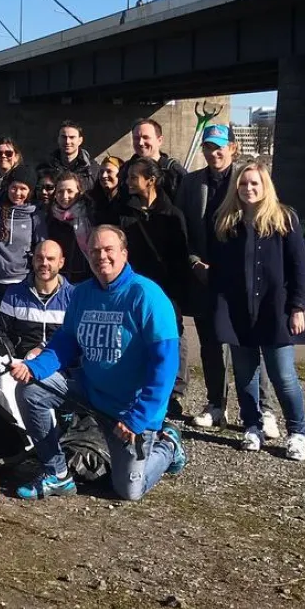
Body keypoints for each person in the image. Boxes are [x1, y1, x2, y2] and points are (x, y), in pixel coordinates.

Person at [12, 226, 187, 501]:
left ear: (124, 254)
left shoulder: (147, 295)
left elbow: (165, 366)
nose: (101, 256)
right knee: (31, 390)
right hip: (91, 393)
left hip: (129, 411)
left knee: (128, 491)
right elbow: (66, 342)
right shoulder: (82, 294)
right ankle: (57, 474)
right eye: (94, 251)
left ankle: (168, 445)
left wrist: (138, 418)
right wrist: (34, 368)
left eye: (108, 250)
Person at [209, 162, 305, 461]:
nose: (248, 189)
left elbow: (299, 268)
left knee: (283, 375)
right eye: (243, 184)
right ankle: (252, 425)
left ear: (265, 186)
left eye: (254, 183)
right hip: (239, 312)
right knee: (245, 375)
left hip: (274, 310)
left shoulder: (284, 219)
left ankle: (297, 431)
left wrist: (297, 307)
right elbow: (220, 272)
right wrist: (218, 310)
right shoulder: (227, 223)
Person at [116, 156, 191, 419]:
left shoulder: (172, 215)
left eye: (133, 177)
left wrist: (178, 294)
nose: (127, 182)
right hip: (136, 289)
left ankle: (174, 393)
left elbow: (181, 257)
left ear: (151, 180)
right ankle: (141, 387)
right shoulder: (125, 213)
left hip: (167, 289)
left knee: (171, 338)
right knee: (137, 337)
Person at [177, 125, 241, 430]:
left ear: (232, 148)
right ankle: (217, 403)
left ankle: (261, 409)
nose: (214, 153)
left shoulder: (247, 180)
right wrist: (193, 262)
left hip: (239, 277)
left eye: (219, 147)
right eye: (208, 147)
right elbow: (183, 229)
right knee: (210, 344)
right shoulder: (191, 183)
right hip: (203, 275)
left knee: (247, 343)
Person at [0, 166, 45, 340]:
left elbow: (42, 248)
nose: (17, 193)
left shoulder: (35, 214)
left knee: (19, 336)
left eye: (23, 189)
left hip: (21, 284)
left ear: (30, 191)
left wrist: (36, 280)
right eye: (14, 187)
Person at [0, 240, 74, 359]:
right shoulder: (13, 294)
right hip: (21, 367)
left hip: (61, 368)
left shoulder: (74, 296)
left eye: (50, 259)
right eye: (39, 258)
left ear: (61, 262)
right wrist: (14, 363)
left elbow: (77, 339)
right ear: (33, 260)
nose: (44, 263)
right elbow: (1, 334)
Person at [121, 118, 186, 202]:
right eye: (136, 138)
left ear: (159, 140)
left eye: (145, 137)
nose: (140, 142)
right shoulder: (125, 169)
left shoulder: (174, 172)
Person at [45, 172, 94, 284]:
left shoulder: (90, 214)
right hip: (58, 278)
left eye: (70, 191)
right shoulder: (50, 217)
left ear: (80, 192)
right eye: (60, 192)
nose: (65, 196)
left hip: (87, 275)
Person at [39, 120, 99, 192]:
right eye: (64, 137)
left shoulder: (92, 170)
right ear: (58, 139)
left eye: (72, 137)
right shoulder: (45, 168)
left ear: (80, 140)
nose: (67, 141)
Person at [86, 154, 123, 226]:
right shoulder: (92, 200)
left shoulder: (129, 201)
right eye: (101, 172)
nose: (104, 175)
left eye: (109, 171)